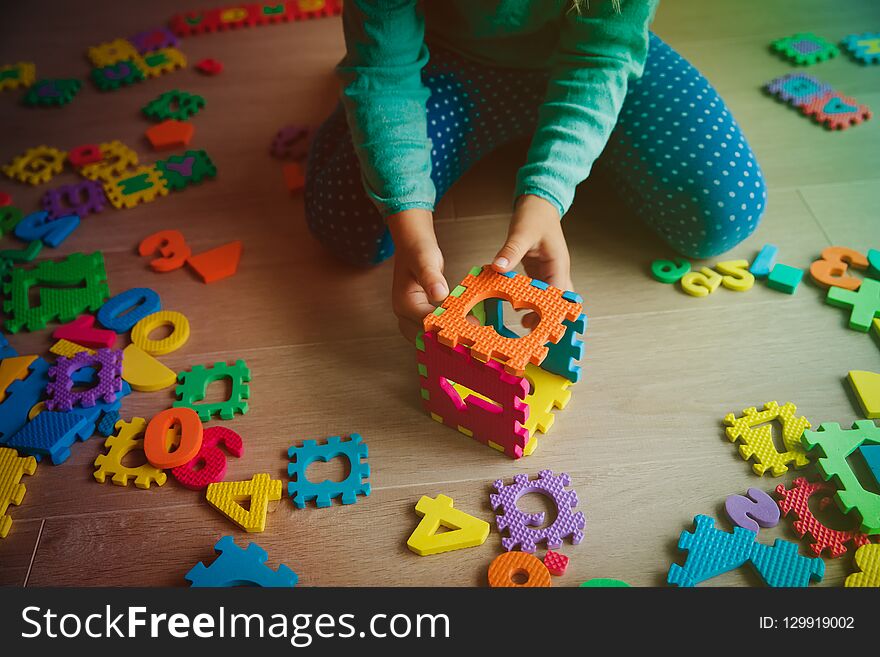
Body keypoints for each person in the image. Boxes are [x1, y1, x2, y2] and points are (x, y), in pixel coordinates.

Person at [305, 0, 766, 341]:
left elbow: (602, 58)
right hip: (445, 61)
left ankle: (562, 139)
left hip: (588, 57)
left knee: (726, 211)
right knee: (351, 225)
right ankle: (545, 140)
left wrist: (548, 191)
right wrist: (409, 219)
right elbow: (384, 73)